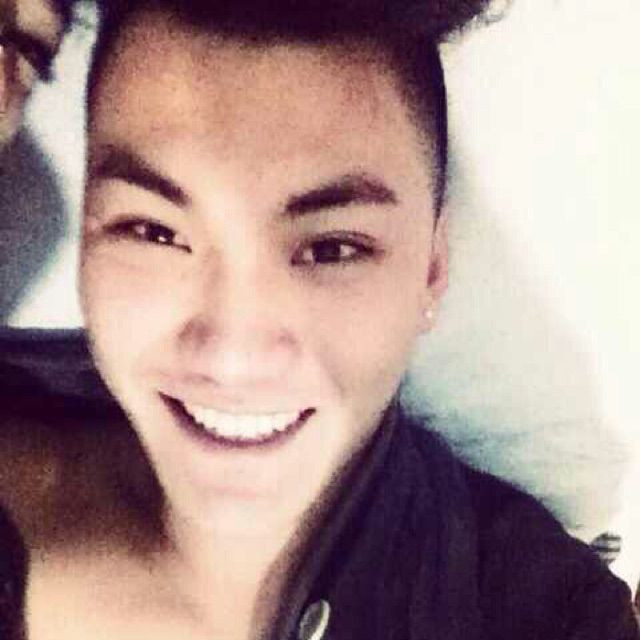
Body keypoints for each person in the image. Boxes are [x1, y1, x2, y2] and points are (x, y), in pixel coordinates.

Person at [1, 0, 638, 638]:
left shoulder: (537, 609)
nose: (233, 358)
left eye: (332, 249)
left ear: (432, 270)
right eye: (153, 232)